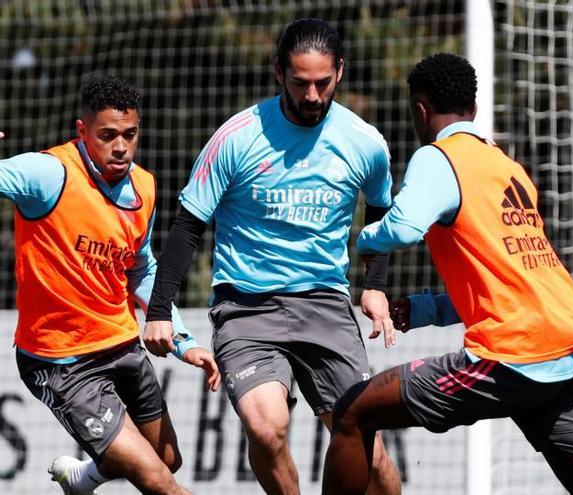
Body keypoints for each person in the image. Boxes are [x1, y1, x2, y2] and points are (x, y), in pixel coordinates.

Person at [322, 53, 573, 495]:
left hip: (513, 354)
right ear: (473, 109)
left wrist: (363, 240)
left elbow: (402, 227)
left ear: (420, 111)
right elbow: (505, 280)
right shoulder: (507, 166)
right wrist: (423, 310)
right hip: (563, 345)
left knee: (352, 414)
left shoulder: (440, 157)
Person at [143, 18, 400, 495]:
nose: (312, 96)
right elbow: (187, 225)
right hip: (247, 308)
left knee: (373, 456)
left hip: (325, 304)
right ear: (278, 72)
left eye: (323, 83)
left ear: (340, 72)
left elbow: (382, 209)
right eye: (300, 83)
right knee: (266, 428)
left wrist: (377, 284)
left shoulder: (365, 143)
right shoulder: (237, 137)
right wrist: (159, 310)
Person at [0, 75, 220, 495]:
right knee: (160, 482)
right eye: (107, 136)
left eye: (129, 135)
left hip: (121, 344)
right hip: (61, 361)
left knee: (167, 460)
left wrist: (182, 338)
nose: (120, 147)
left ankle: (83, 479)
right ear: (83, 132)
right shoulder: (48, 174)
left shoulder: (145, 187)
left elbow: (141, 268)